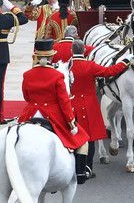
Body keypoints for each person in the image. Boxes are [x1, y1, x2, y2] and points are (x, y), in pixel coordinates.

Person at [18, 39, 90, 184]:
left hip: (30, 113)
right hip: (52, 114)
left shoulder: (27, 74)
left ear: (37, 56)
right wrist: (71, 123)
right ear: (51, 57)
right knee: (83, 140)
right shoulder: (57, 76)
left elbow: (26, 96)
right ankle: (80, 174)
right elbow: (64, 103)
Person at [70, 40, 133, 178]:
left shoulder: (65, 66)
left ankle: (73, 167)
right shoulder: (90, 65)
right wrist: (124, 62)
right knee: (89, 138)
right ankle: (87, 167)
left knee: (73, 137)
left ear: (72, 51)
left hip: (71, 104)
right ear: (84, 51)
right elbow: (109, 72)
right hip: (89, 104)